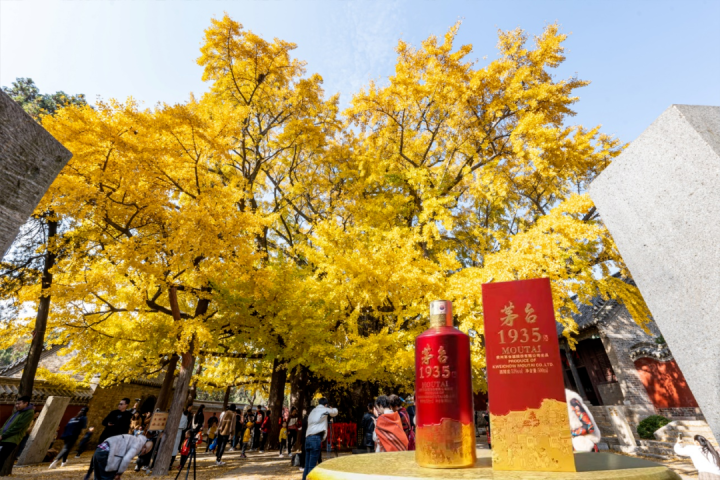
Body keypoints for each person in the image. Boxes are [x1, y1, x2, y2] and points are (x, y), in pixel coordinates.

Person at [302, 398, 338, 480]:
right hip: (315, 438)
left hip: (308, 438)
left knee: (307, 465)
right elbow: (335, 412)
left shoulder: (313, 411)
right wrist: (330, 408)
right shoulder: (324, 410)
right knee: (312, 466)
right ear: (325, 405)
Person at [0, 395, 35, 469]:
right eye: (16, 403)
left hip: (11, 439)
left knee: (1, 457)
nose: (17, 405)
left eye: (19, 403)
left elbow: (18, 427)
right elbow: (6, 424)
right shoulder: (17, 412)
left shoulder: (29, 413)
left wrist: (3, 435)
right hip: (3, 436)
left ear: (26, 403)